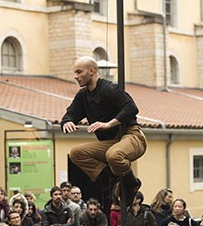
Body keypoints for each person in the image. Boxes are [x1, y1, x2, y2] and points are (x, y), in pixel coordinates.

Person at [61, 56, 147, 205]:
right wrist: (67, 121)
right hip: (110, 143)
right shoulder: (83, 95)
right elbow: (71, 113)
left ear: (92, 71)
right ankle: (119, 176)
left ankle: (132, 183)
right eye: (75, 72)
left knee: (113, 155)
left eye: (79, 72)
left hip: (131, 135)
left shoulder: (108, 88)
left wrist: (109, 124)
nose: (76, 76)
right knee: (76, 153)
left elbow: (131, 108)